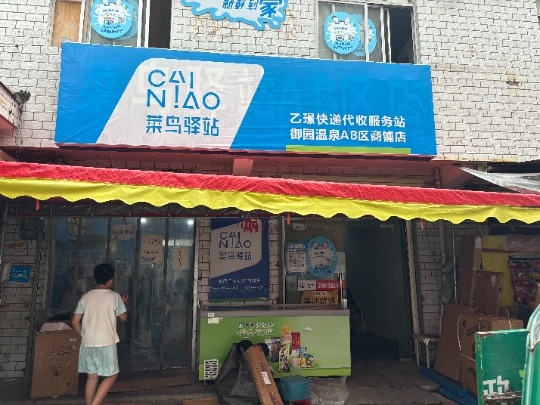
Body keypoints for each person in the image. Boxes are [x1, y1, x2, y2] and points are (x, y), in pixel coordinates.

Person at [71, 263, 128, 405]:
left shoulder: (86, 296)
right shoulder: (115, 297)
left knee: (92, 377)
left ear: (94, 280)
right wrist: (122, 302)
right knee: (112, 375)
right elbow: (123, 317)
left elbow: (75, 322)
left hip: (87, 343)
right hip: (105, 343)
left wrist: (84, 335)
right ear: (111, 281)